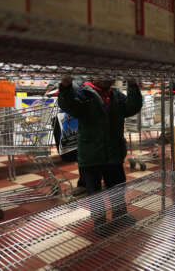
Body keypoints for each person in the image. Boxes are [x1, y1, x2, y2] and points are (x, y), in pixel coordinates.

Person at [58, 76, 143, 235]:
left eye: (109, 74)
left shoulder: (116, 95)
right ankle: (100, 221)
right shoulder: (84, 94)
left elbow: (132, 107)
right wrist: (66, 87)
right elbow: (69, 105)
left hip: (113, 152)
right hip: (91, 153)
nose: (106, 77)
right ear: (93, 76)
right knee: (94, 191)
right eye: (101, 74)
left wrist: (132, 86)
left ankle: (120, 215)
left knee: (117, 186)